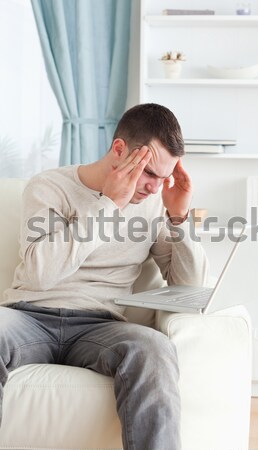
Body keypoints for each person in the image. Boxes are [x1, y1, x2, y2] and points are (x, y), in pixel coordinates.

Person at [0, 103, 209, 450]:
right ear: (119, 150)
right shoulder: (49, 186)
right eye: (150, 173)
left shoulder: (155, 205)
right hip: (28, 315)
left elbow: (189, 287)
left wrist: (178, 217)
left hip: (101, 326)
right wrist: (108, 205)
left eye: (164, 177)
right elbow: (40, 274)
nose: (156, 188)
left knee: (154, 348)